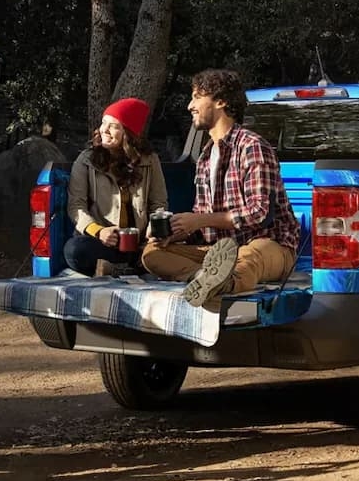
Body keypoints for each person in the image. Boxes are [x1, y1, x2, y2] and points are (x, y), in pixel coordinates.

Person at [141, 69, 300, 308]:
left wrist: (200, 220)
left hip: (268, 245)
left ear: (221, 102)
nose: (189, 105)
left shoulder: (252, 146)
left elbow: (260, 213)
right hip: (217, 252)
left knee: (250, 257)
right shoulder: (205, 156)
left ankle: (224, 282)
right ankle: (203, 278)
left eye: (196, 97)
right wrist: (174, 231)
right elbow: (201, 222)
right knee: (152, 253)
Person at [65, 98, 169, 276]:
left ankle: (125, 268)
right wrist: (99, 231)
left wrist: (155, 230)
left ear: (128, 133)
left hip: (139, 245)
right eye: (104, 122)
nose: (104, 130)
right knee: (75, 250)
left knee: (171, 250)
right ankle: (126, 269)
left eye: (113, 126)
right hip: (103, 243)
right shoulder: (86, 160)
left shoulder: (149, 160)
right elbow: (76, 206)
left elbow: (158, 203)